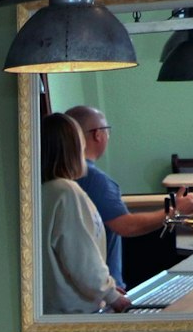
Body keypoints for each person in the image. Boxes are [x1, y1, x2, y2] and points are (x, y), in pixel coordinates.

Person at [61, 105, 193, 289]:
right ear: (98, 135)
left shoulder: (58, 176)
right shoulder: (95, 180)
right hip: (103, 291)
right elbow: (126, 226)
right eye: (107, 131)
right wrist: (175, 211)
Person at [40, 113, 131, 314]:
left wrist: (105, 288)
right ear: (74, 148)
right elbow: (81, 257)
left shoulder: (46, 190)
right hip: (75, 311)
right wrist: (111, 296)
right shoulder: (66, 192)